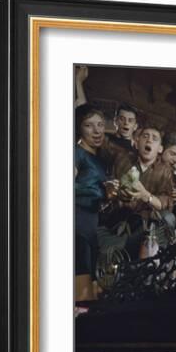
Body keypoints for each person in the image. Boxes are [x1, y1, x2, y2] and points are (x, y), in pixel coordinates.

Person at [100, 124, 175, 259]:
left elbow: (165, 203)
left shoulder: (165, 171)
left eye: (154, 139)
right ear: (137, 142)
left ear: (160, 149)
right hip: (117, 221)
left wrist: (146, 195)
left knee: (168, 218)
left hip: (144, 226)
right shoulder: (122, 158)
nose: (149, 140)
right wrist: (113, 190)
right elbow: (109, 185)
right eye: (145, 136)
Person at [74, 105, 107, 300]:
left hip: (92, 223)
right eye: (89, 125)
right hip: (77, 221)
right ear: (79, 128)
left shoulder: (99, 158)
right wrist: (97, 191)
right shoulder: (75, 153)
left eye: (100, 125)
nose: (97, 131)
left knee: (91, 291)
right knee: (82, 290)